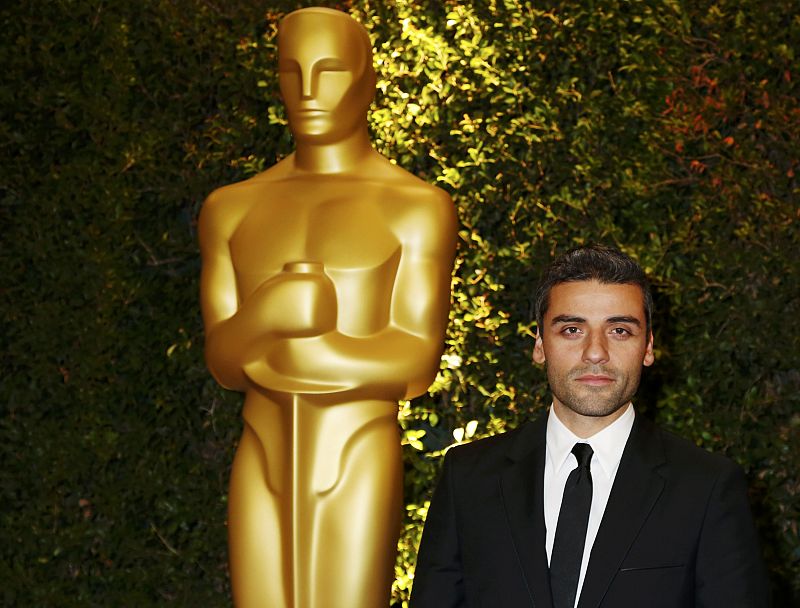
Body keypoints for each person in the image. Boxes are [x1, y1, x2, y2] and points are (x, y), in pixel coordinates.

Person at [198, 8, 456, 608]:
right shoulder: (231, 208)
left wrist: (310, 351)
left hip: (357, 447)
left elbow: (416, 363)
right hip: (261, 446)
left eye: (331, 70)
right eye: (292, 71)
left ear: (367, 80)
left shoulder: (415, 207)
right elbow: (223, 361)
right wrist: (267, 315)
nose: (309, 90)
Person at [411, 245, 769, 608]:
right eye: (572, 329)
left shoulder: (706, 487)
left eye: (619, 330)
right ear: (540, 344)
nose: (595, 352)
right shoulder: (468, 477)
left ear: (648, 347)